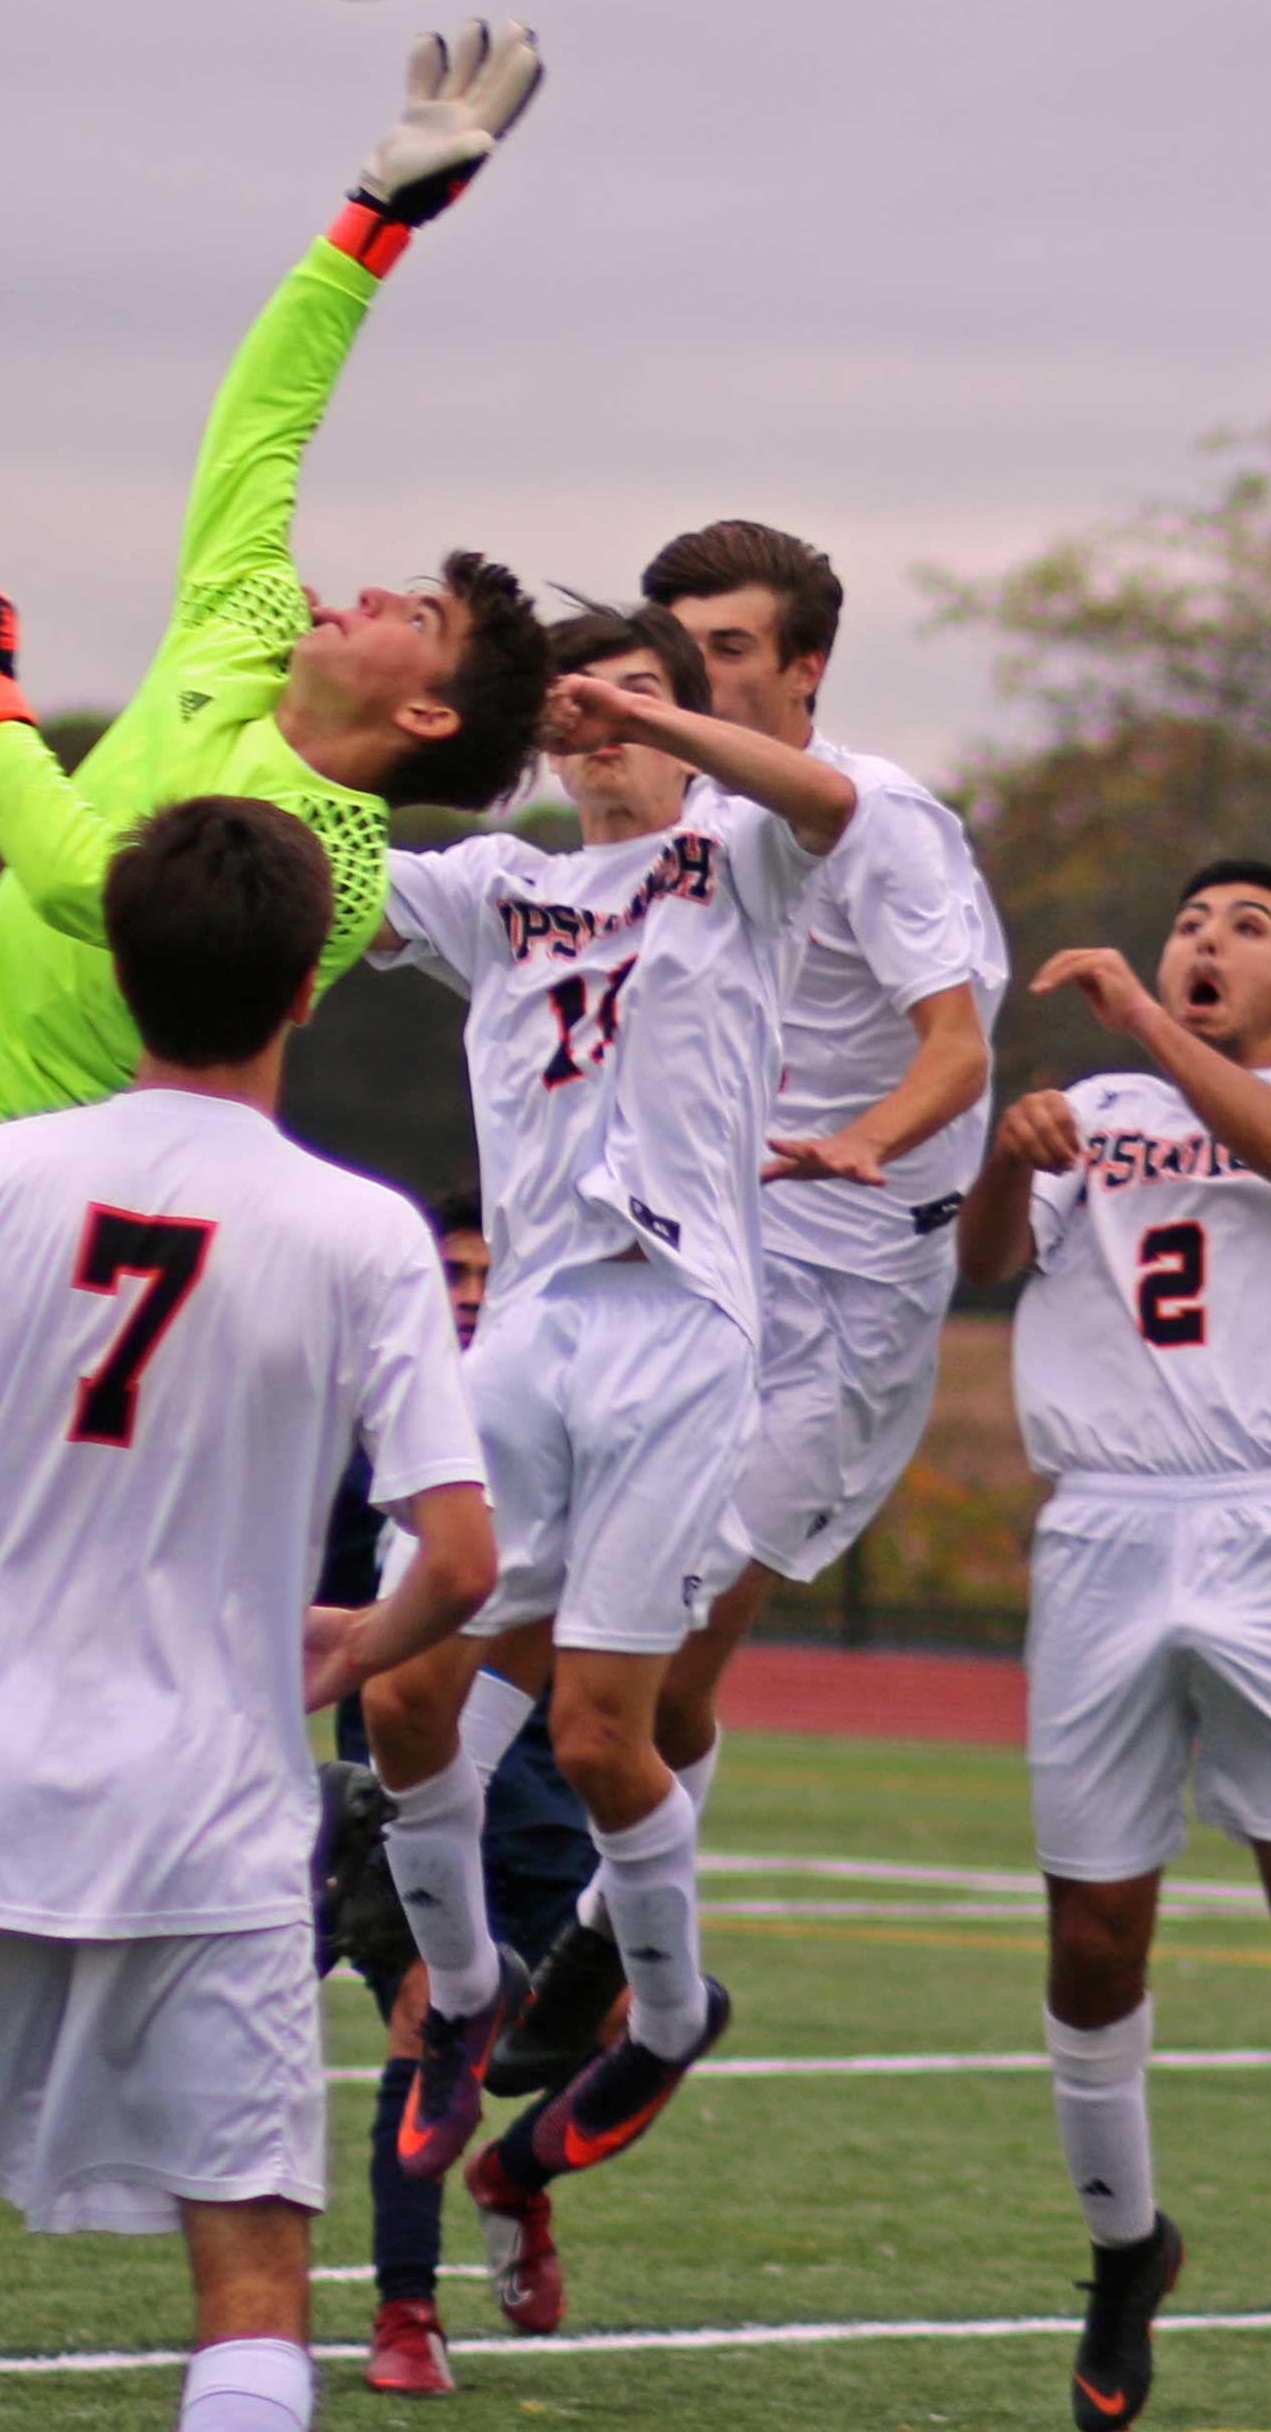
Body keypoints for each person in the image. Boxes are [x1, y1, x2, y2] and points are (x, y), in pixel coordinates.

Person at [0, 15, 556, 1567]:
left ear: (426, 708)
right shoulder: (246, 629)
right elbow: (264, 420)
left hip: (71, 1202)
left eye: (414, 612)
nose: (364, 591)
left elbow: (80, 881)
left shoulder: (328, 861)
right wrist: (374, 219)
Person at [0, 798, 500, 2432]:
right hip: (208, 1799)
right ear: (306, 988)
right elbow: (458, 1554)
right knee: (252, 2259)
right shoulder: (364, 1229)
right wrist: (356, 1642)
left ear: (117, 967)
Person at [486, 519, 1006, 2097]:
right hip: (707, 1264)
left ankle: (615, 1947)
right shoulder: (670, 819)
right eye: (679, 646)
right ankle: (448, 1858)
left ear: (805, 669)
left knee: (671, 1664)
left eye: (729, 648)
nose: (696, 675)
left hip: (848, 1286)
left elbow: (959, 1048)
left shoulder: (870, 817)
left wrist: (866, 1137)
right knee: (548, 1618)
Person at [355, 602, 858, 2227]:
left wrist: (653, 708)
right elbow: (321, 867)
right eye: (590, 701)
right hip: (528, 1325)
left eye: (646, 695)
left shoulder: (741, 852)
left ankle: (667, 2005)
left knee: (594, 1730)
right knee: (400, 1690)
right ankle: (462, 1991)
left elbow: (827, 797)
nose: (612, 722)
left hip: (682, 1327)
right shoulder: (497, 883)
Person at [955, 860, 1271, 2432]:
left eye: (1248, 927)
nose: (1207, 939)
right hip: (1101, 1528)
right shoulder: (1098, 1107)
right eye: (1191, 921)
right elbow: (984, 1261)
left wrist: (1145, 1019)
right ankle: (1123, 2245)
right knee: (1092, 1931)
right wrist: (1010, 1153)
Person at [307, 1192, 600, 2395]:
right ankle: (406, 2312)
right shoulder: (369, 1436)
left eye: (491, 1272)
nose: (470, 1294)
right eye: (451, 1273)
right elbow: (317, 1615)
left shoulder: (580, 1413)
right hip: (422, 1784)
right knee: (432, 2017)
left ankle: (515, 2175)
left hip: (553, 1784)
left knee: (629, 2033)